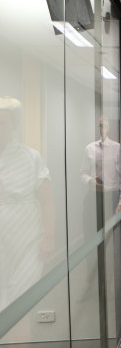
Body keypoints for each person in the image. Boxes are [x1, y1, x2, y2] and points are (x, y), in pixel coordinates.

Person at [0, 97, 54, 312]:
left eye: (3, 122)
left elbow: (47, 201)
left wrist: (49, 238)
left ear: (13, 124)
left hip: (26, 238)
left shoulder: (31, 157)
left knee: (20, 304)